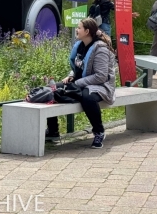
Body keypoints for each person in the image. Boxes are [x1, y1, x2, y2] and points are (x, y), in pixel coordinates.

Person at [46, 18, 115, 149]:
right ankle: (53, 131)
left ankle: (99, 132)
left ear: (87, 31)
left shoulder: (101, 49)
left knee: (87, 98)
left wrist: (78, 82)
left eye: (79, 28)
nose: (76, 30)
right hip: (80, 82)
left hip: (101, 86)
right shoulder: (80, 46)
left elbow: (101, 76)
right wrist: (71, 76)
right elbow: (78, 67)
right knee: (52, 89)